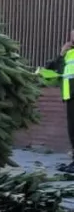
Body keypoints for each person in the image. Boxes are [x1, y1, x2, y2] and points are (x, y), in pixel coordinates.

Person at [40, 30, 74, 173]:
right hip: (70, 97)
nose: (72, 39)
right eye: (72, 36)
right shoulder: (69, 53)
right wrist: (61, 54)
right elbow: (51, 68)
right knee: (72, 131)